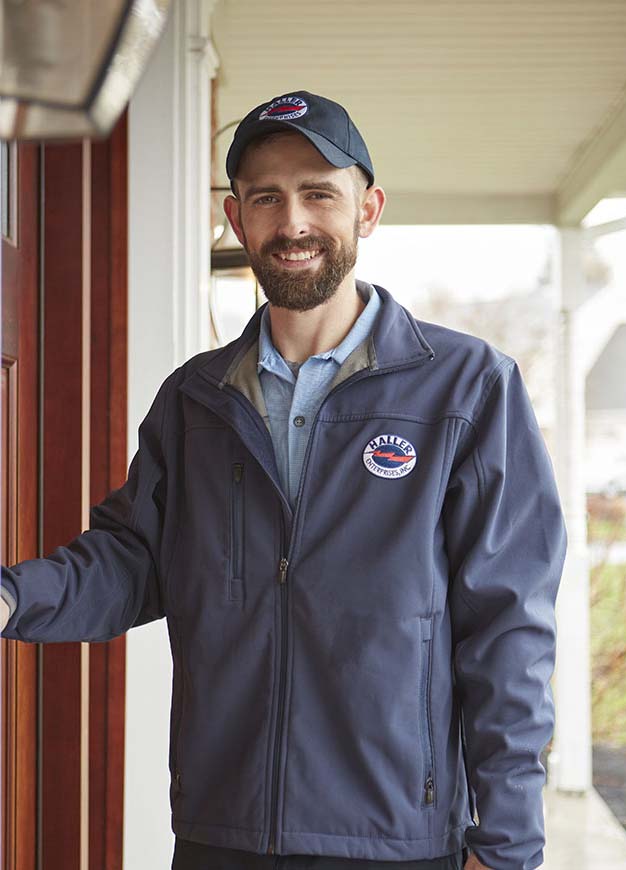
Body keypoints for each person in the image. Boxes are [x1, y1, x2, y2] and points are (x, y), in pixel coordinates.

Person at [1, 90, 568, 870]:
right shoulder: (196, 398)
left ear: (366, 210)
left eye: (318, 194)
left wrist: (505, 845)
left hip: (392, 838)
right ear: (237, 222)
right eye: (266, 197)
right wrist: (11, 596)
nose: (293, 222)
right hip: (221, 831)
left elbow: (508, 627)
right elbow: (132, 560)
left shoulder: (466, 389)